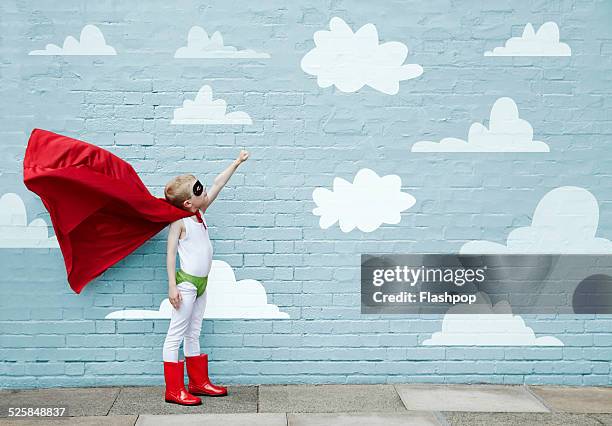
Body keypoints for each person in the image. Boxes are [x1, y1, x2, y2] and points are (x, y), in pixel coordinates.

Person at [161, 151, 249, 406]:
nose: (204, 192)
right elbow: (169, 256)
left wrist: (235, 162)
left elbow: (218, 183)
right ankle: (173, 390)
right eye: (198, 190)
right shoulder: (179, 223)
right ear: (188, 202)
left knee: (194, 332)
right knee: (175, 335)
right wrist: (172, 286)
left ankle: (198, 382)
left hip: (201, 285)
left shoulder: (198, 214)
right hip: (186, 284)